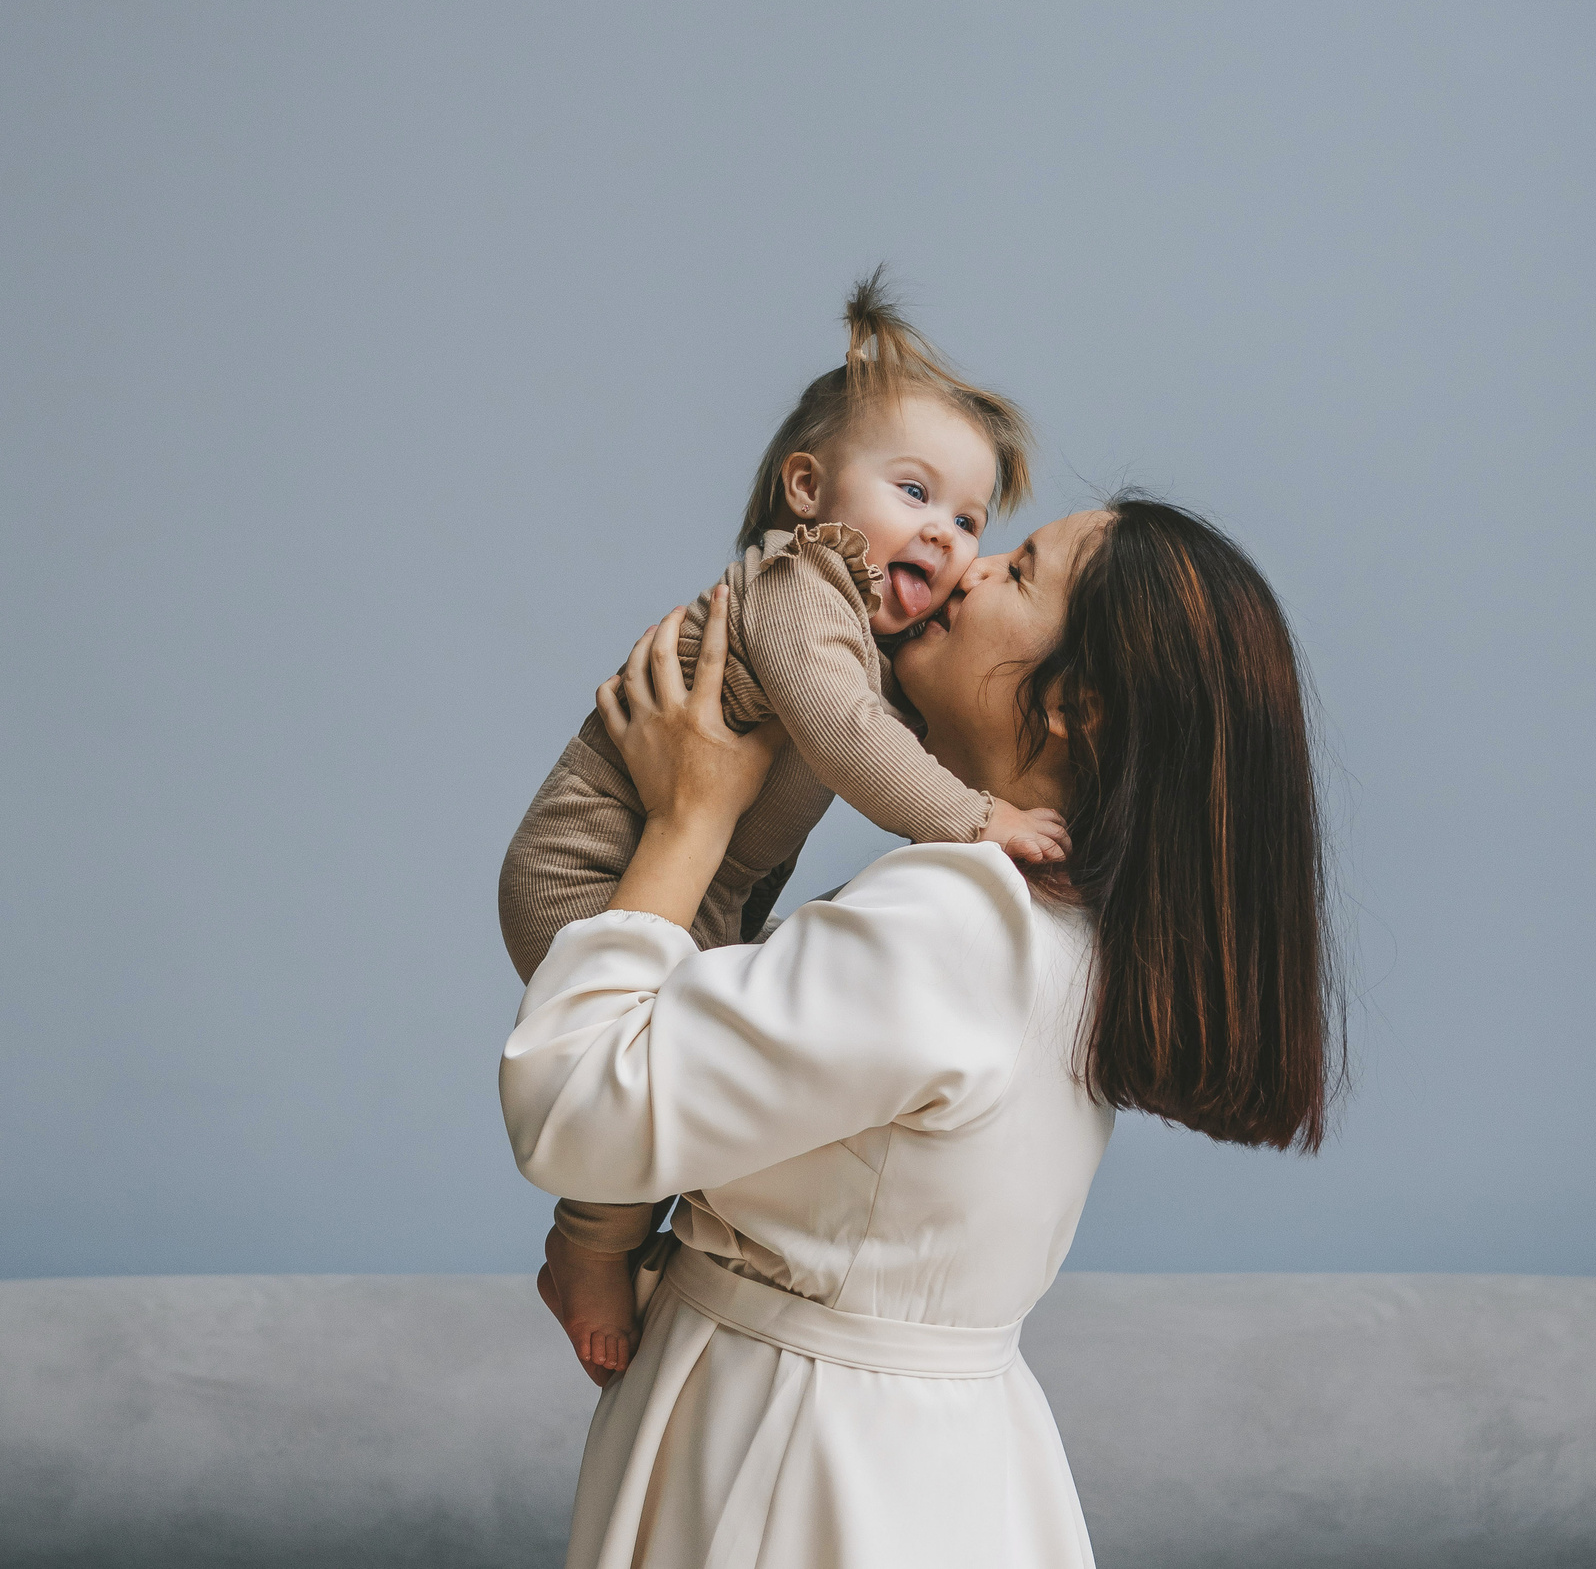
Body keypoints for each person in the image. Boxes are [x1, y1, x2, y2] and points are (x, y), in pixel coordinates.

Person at [500, 496, 1336, 1569]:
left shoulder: (954, 923)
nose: (970, 569)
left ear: (1077, 702)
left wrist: (687, 818)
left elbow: (574, 1105)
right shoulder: (1067, 935)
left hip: (799, 1468)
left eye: (1021, 570)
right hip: (926, 1463)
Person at [499, 273, 1069, 1379]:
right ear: (807, 489)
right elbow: (852, 738)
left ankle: (598, 1244)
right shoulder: (797, 585)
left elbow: (889, 723)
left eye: (968, 519)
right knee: (638, 1070)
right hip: (592, 867)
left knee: (687, 1074)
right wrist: (977, 816)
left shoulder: (865, 634)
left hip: (700, 878)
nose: (949, 540)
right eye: (914, 492)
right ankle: (588, 1247)